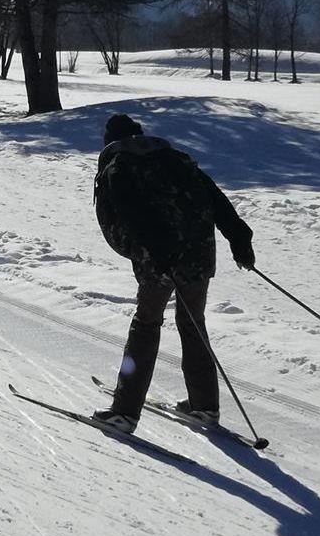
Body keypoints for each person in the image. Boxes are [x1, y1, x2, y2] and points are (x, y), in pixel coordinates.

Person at [90, 112, 254, 433]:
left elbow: (131, 214)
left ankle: (124, 411)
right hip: (198, 253)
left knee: (146, 324)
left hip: (160, 258)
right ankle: (204, 406)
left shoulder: (119, 167)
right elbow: (216, 199)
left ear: (109, 141)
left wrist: (158, 251)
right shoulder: (176, 159)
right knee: (192, 322)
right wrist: (239, 240)